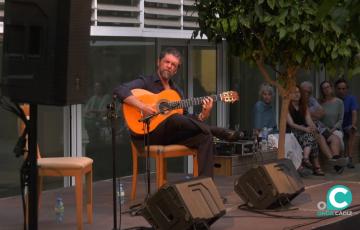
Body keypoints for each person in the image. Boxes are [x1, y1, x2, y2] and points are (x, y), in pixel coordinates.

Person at [113, 48, 240, 177]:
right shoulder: (146, 82)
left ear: (176, 70)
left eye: (173, 65)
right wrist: (142, 106)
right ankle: (216, 130)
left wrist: (203, 114)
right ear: (159, 62)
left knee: (204, 137)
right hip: (147, 135)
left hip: (171, 135)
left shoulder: (176, 91)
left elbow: (185, 120)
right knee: (174, 117)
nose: (169, 66)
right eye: (167, 62)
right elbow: (119, 90)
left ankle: (205, 188)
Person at [300, 81, 347, 172]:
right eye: (304, 91)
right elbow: (303, 116)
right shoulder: (298, 100)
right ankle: (335, 163)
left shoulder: (312, 99)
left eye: (309, 92)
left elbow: (322, 113)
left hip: (320, 126)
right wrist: (310, 115)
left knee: (335, 138)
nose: (307, 94)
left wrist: (309, 114)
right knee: (320, 138)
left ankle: (336, 159)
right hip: (308, 127)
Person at [286, 85, 324, 176]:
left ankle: (306, 159)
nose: (297, 94)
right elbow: (291, 124)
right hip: (291, 133)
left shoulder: (304, 106)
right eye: (294, 92)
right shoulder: (286, 107)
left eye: (298, 92)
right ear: (289, 95)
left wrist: (314, 128)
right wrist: (306, 129)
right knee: (311, 137)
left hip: (303, 132)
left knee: (313, 136)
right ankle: (316, 165)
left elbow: (309, 121)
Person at [335, 78, 358, 168]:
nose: (341, 91)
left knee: (352, 131)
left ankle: (349, 158)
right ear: (335, 89)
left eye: (343, 89)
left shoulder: (351, 99)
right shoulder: (334, 99)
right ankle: (339, 159)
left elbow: (354, 113)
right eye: (339, 89)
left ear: (347, 89)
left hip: (346, 125)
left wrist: (353, 125)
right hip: (336, 126)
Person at [319, 80, 345, 152]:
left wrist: (333, 129)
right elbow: (317, 119)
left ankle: (338, 159)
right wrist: (324, 128)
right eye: (324, 88)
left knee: (339, 141)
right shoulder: (320, 103)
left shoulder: (339, 102)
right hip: (322, 129)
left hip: (335, 129)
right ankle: (336, 160)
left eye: (328, 87)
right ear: (322, 91)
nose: (327, 89)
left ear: (331, 88)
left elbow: (340, 120)